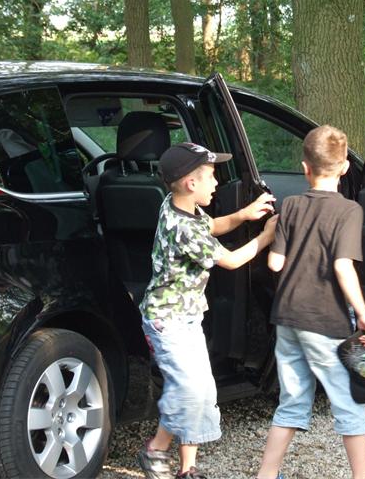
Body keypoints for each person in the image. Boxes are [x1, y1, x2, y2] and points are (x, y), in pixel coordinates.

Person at [137, 142, 278, 479]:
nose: (217, 183)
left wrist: (244, 215)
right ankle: (155, 449)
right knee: (187, 389)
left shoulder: (178, 205)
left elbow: (211, 227)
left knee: (199, 389)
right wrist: (267, 237)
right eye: (212, 177)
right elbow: (231, 260)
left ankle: (188, 468)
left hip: (186, 317)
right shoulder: (182, 228)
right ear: (191, 183)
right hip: (167, 322)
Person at [255, 125, 365, 479]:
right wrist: (364, 314)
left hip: (287, 318)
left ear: (304, 168)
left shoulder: (291, 206)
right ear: (345, 167)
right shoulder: (349, 210)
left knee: (292, 401)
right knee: (350, 402)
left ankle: (266, 475)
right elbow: (342, 267)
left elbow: (275, 263)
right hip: (325, 320)